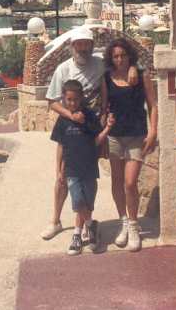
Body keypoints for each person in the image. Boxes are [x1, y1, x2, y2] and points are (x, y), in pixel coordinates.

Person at [40, 26, 106, 241]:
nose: (83, 48)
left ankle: (86, 224)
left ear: (92, 45)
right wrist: (71, 115)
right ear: (72, 46)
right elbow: (51, 102)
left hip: (91, 130)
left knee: (87, 179)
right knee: (62, 177)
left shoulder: (100, 65)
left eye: (87, 44)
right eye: (79, 44)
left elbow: (108, 86)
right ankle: (56, 221)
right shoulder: (63, 69)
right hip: (69, 130)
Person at [100, 38, 158, 252]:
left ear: (129, 56)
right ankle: (123, 221)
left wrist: (153, 130)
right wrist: (104, 126)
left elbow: (153, 105)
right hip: (114, 136)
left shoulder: (141, 75)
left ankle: (133, 224)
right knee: (116, 181)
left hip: (136, 135)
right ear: (111, 58)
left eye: (123, 55)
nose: (119, 59)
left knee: (130, 182)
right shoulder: (107, 77)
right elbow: (104, 106)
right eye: (115, 56)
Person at [51, 80, 114, 255]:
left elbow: (96, 141)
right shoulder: (63, 120)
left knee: (86, 203)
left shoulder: (89, 117)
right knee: (77, 201)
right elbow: (61, 146)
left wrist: (107, 128)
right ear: (64, 99)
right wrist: (58, 170)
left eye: (76, 100)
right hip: (71, 169)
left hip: (89, 168)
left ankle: (77, 235)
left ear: (81, 98)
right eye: (69, 100)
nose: (72, 103)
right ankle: (91, 225)